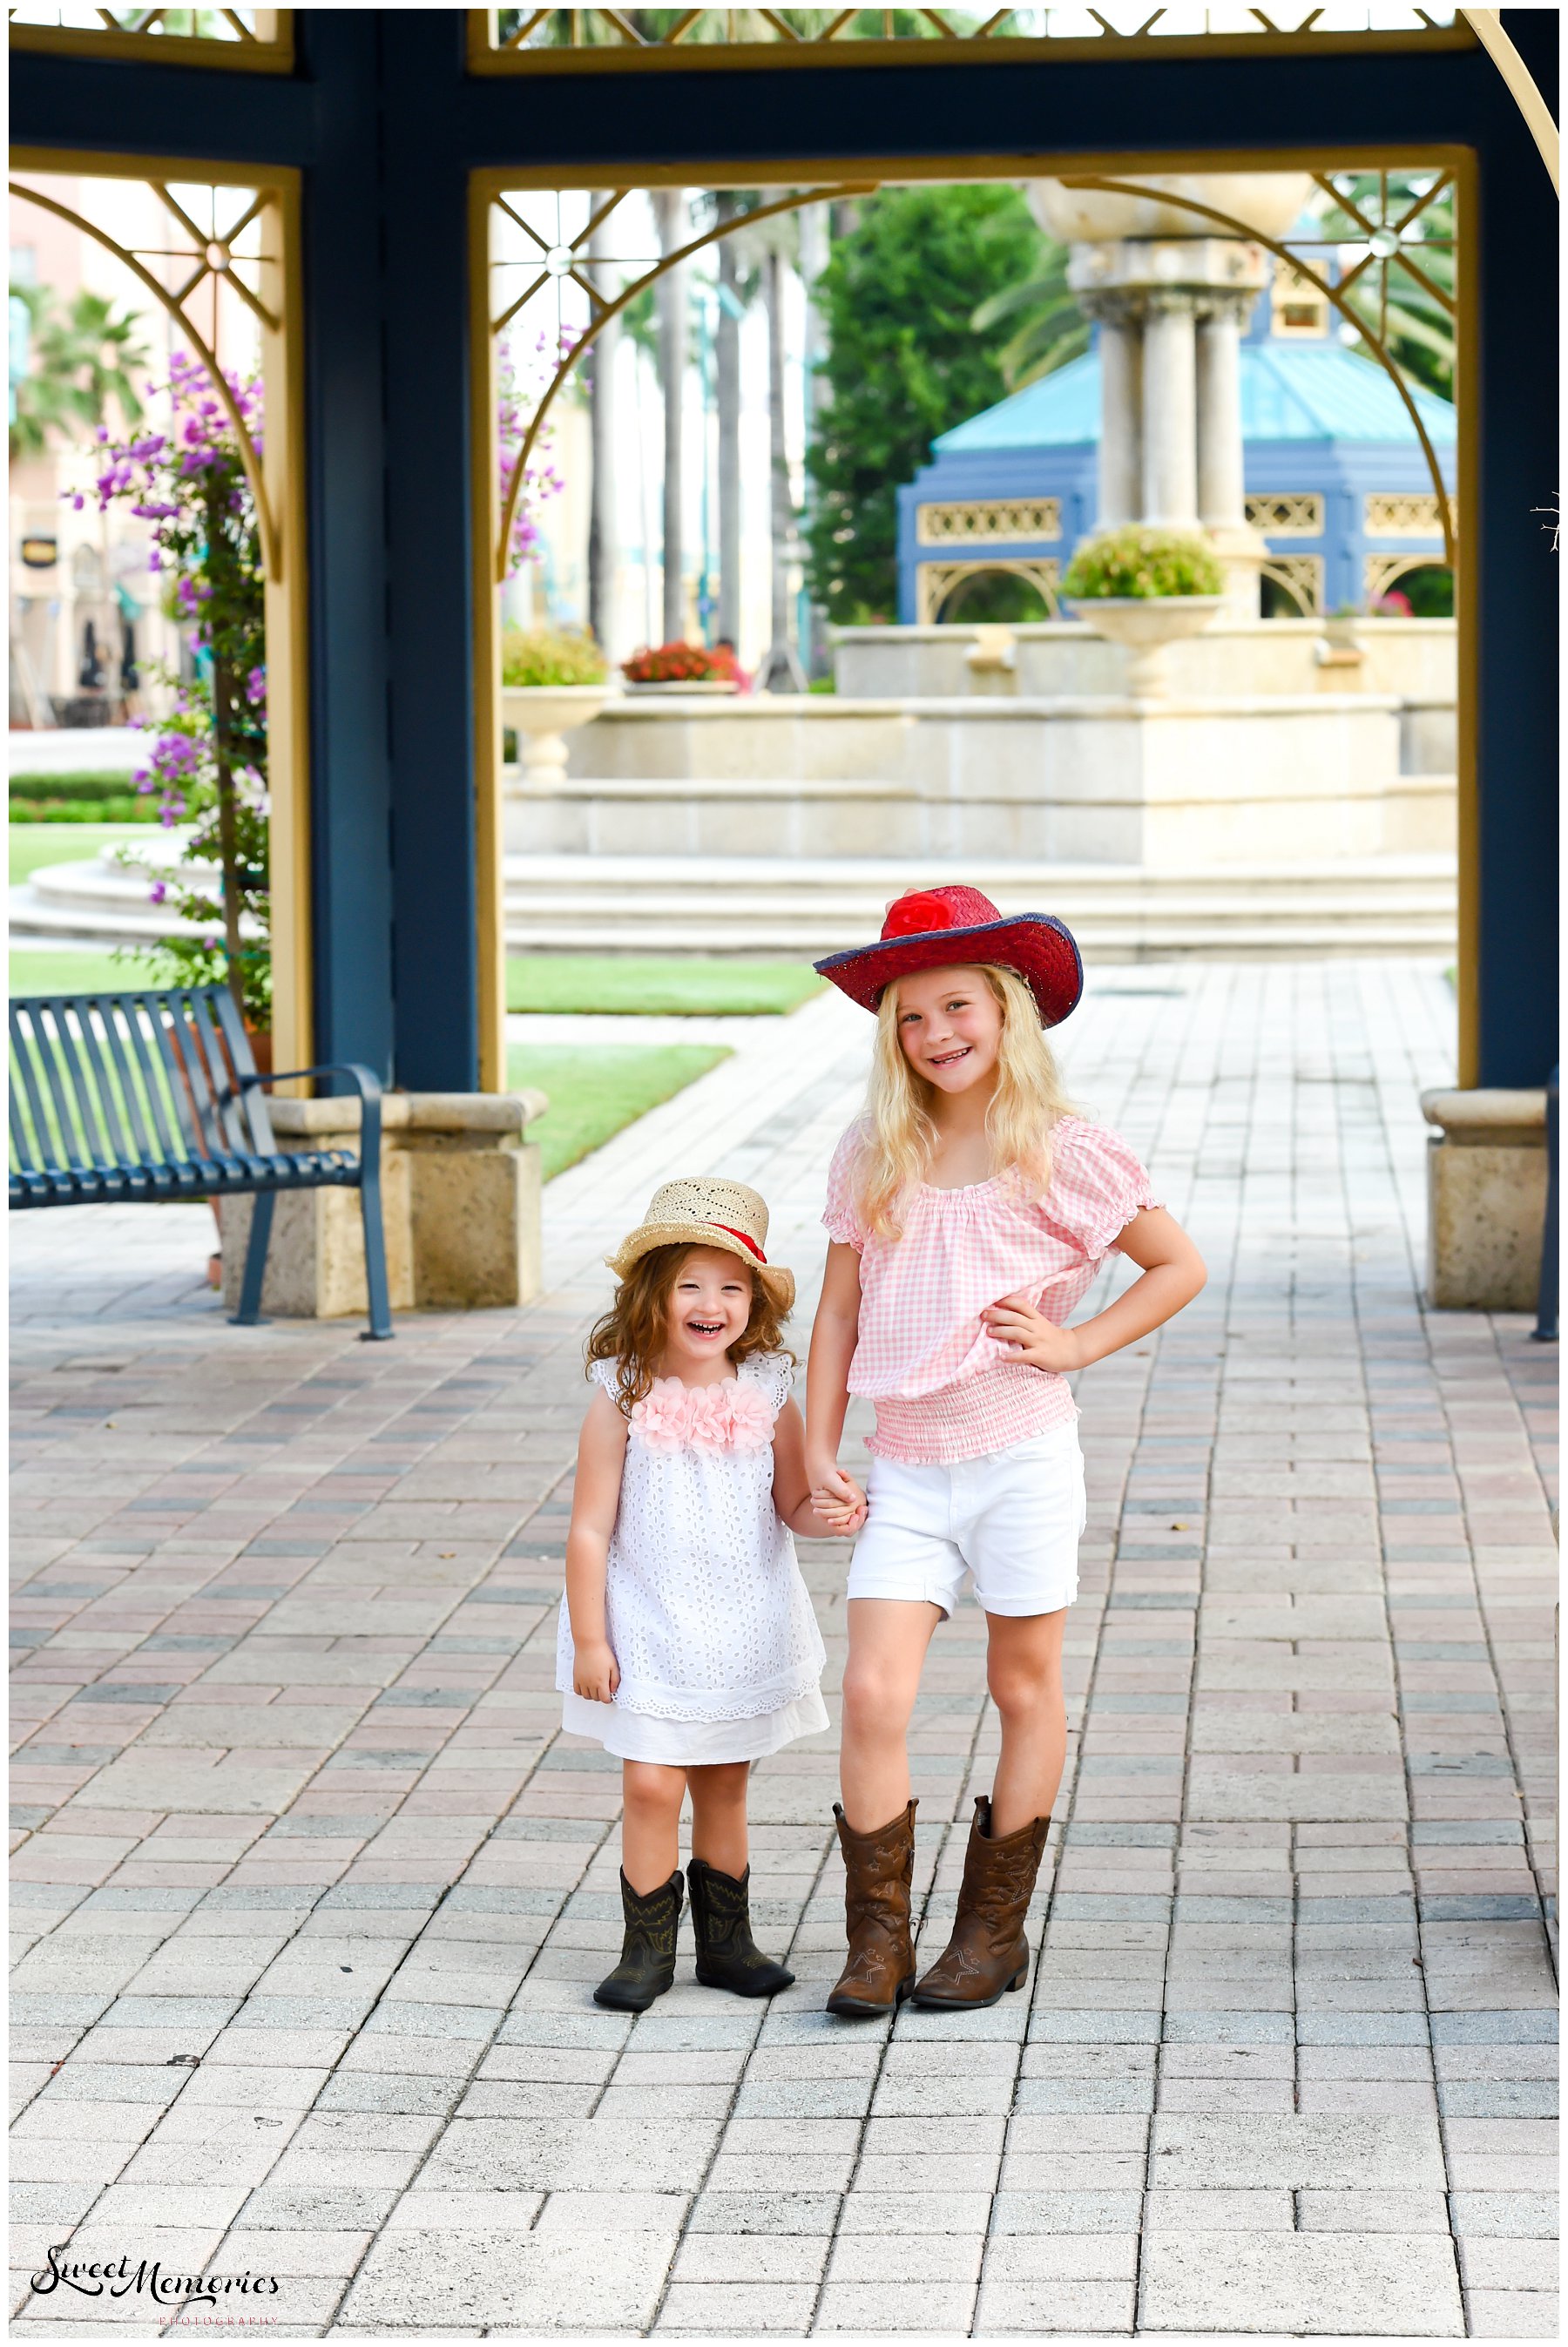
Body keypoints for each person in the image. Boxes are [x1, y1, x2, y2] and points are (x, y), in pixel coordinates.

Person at [805, 886, 1206, 2018]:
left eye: (957, 1005)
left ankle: (991, 1932)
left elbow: (1178, 1265)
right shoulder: (875, 1150)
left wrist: (1077, 1339)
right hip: (909, 1468)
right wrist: (819, 1451)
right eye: (911, 1017)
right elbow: (837, 1314)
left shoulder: (1062, 1153)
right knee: (875, 1689)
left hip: (1022, 1457)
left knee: (1021, 1684)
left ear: (1006, 1008)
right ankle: (877, 1941)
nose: (937, 1034)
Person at [559, 1176, 835, 2012]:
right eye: (691, 1283)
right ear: (654, 1293)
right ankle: (645, 1951)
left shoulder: (771, 1391)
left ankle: (729, 1944)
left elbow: (790, 1505)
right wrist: (591, 1639)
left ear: (755, 1300)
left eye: (732, 1285)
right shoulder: (623, 1393)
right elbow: (588, 1530)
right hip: (645, 1618)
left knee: (724, 1779)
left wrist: (832, 1511)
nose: (711, 1302)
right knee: (650, 1782)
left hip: (743, 1619)